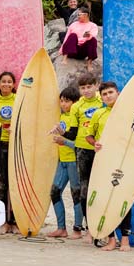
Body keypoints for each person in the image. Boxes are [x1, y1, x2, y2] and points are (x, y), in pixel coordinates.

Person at [85, 81, 133, 251]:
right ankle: (111, 239)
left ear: (118, 93)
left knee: (124, 200)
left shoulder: (129, 113)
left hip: (125, 162)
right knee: (106, 200)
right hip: (105, 162)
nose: (108, 96)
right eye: (104, 94)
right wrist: (95, 144)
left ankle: (125, 240)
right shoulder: (98, 114)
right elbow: (89, 137)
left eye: (111, 92)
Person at [60, 73, 102, 241]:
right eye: (83, 88)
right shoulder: (77, 107)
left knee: (100, 189)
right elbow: (73, 133)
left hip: (102, 150)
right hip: (83, 151)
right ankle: (90, 228)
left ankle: (104, 228)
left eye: (89, 87)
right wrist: (61, 132)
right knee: (85, 192)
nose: (86, 91)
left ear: (96, 85)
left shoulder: (103, 101)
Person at [48, 86, 81, 239]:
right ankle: (61, 228)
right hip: (63, 161)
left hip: (75, 161)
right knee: (54, 192)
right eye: (61, 101)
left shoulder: (79, 119)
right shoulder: (61, 117)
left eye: (67, 101)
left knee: (76, 195)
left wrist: (64, 142)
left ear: (75, 102)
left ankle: (77, 229)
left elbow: (81, 145)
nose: (63, 104)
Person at [0, 72, 17, 233]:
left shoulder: (18, 99)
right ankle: (3, 222)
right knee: (2, 185)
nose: (6, 84)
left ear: (14, 84)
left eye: (9, 82)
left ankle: (14, 221)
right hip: (0, 146)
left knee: (14, 184)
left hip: (16, 147)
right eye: (3, 82)